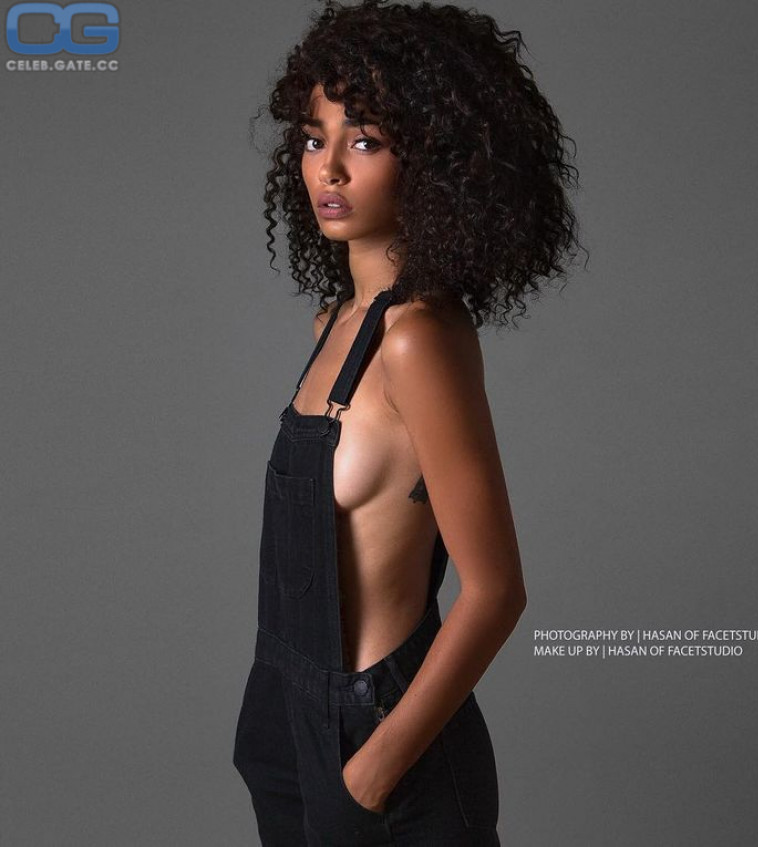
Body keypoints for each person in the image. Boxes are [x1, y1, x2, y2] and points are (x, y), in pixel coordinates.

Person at [233, 1, 581, 844]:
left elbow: (495, 590)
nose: (329, 170)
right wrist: (275, 727)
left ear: (432, 160)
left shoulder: (418, 338)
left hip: (381, 730)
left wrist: (374, 768)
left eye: (365, 141)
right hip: (281, 710)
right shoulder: (333, 328)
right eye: (313, 138)